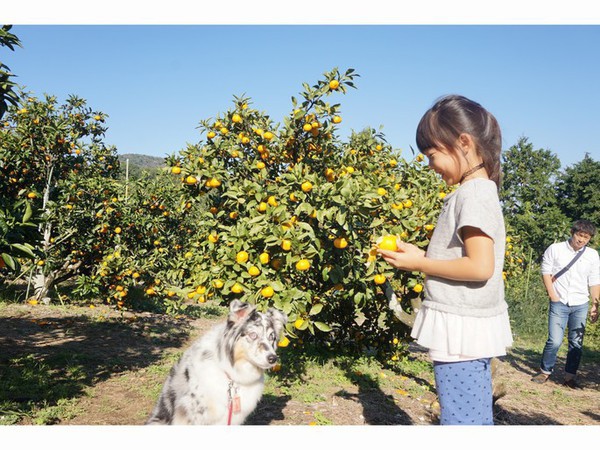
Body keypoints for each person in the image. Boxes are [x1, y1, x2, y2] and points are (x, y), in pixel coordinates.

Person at [378, 95, 513, 425]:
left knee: (462, 421)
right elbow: (464, 258)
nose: (429, 164)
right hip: (466, 329)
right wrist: (422, 255)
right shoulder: (477, 192)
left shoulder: (474, 194)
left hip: (460, 332)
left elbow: (480, 267)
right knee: (473, 416)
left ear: (463, 143)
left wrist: (420, 264)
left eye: (432, 154)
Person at [531, 219, 600, 388]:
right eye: (579, 235)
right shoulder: (556, 249)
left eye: (586, 237)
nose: (582, 240)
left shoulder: (592, 255)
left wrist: (595, 305)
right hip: (559, 301)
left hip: (581, 302)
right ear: (572, 232)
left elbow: (594, 280)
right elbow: (546, 272)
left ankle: (570, 377)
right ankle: (545, 372)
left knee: (576, 343)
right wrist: (553, 295)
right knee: (554, 340)